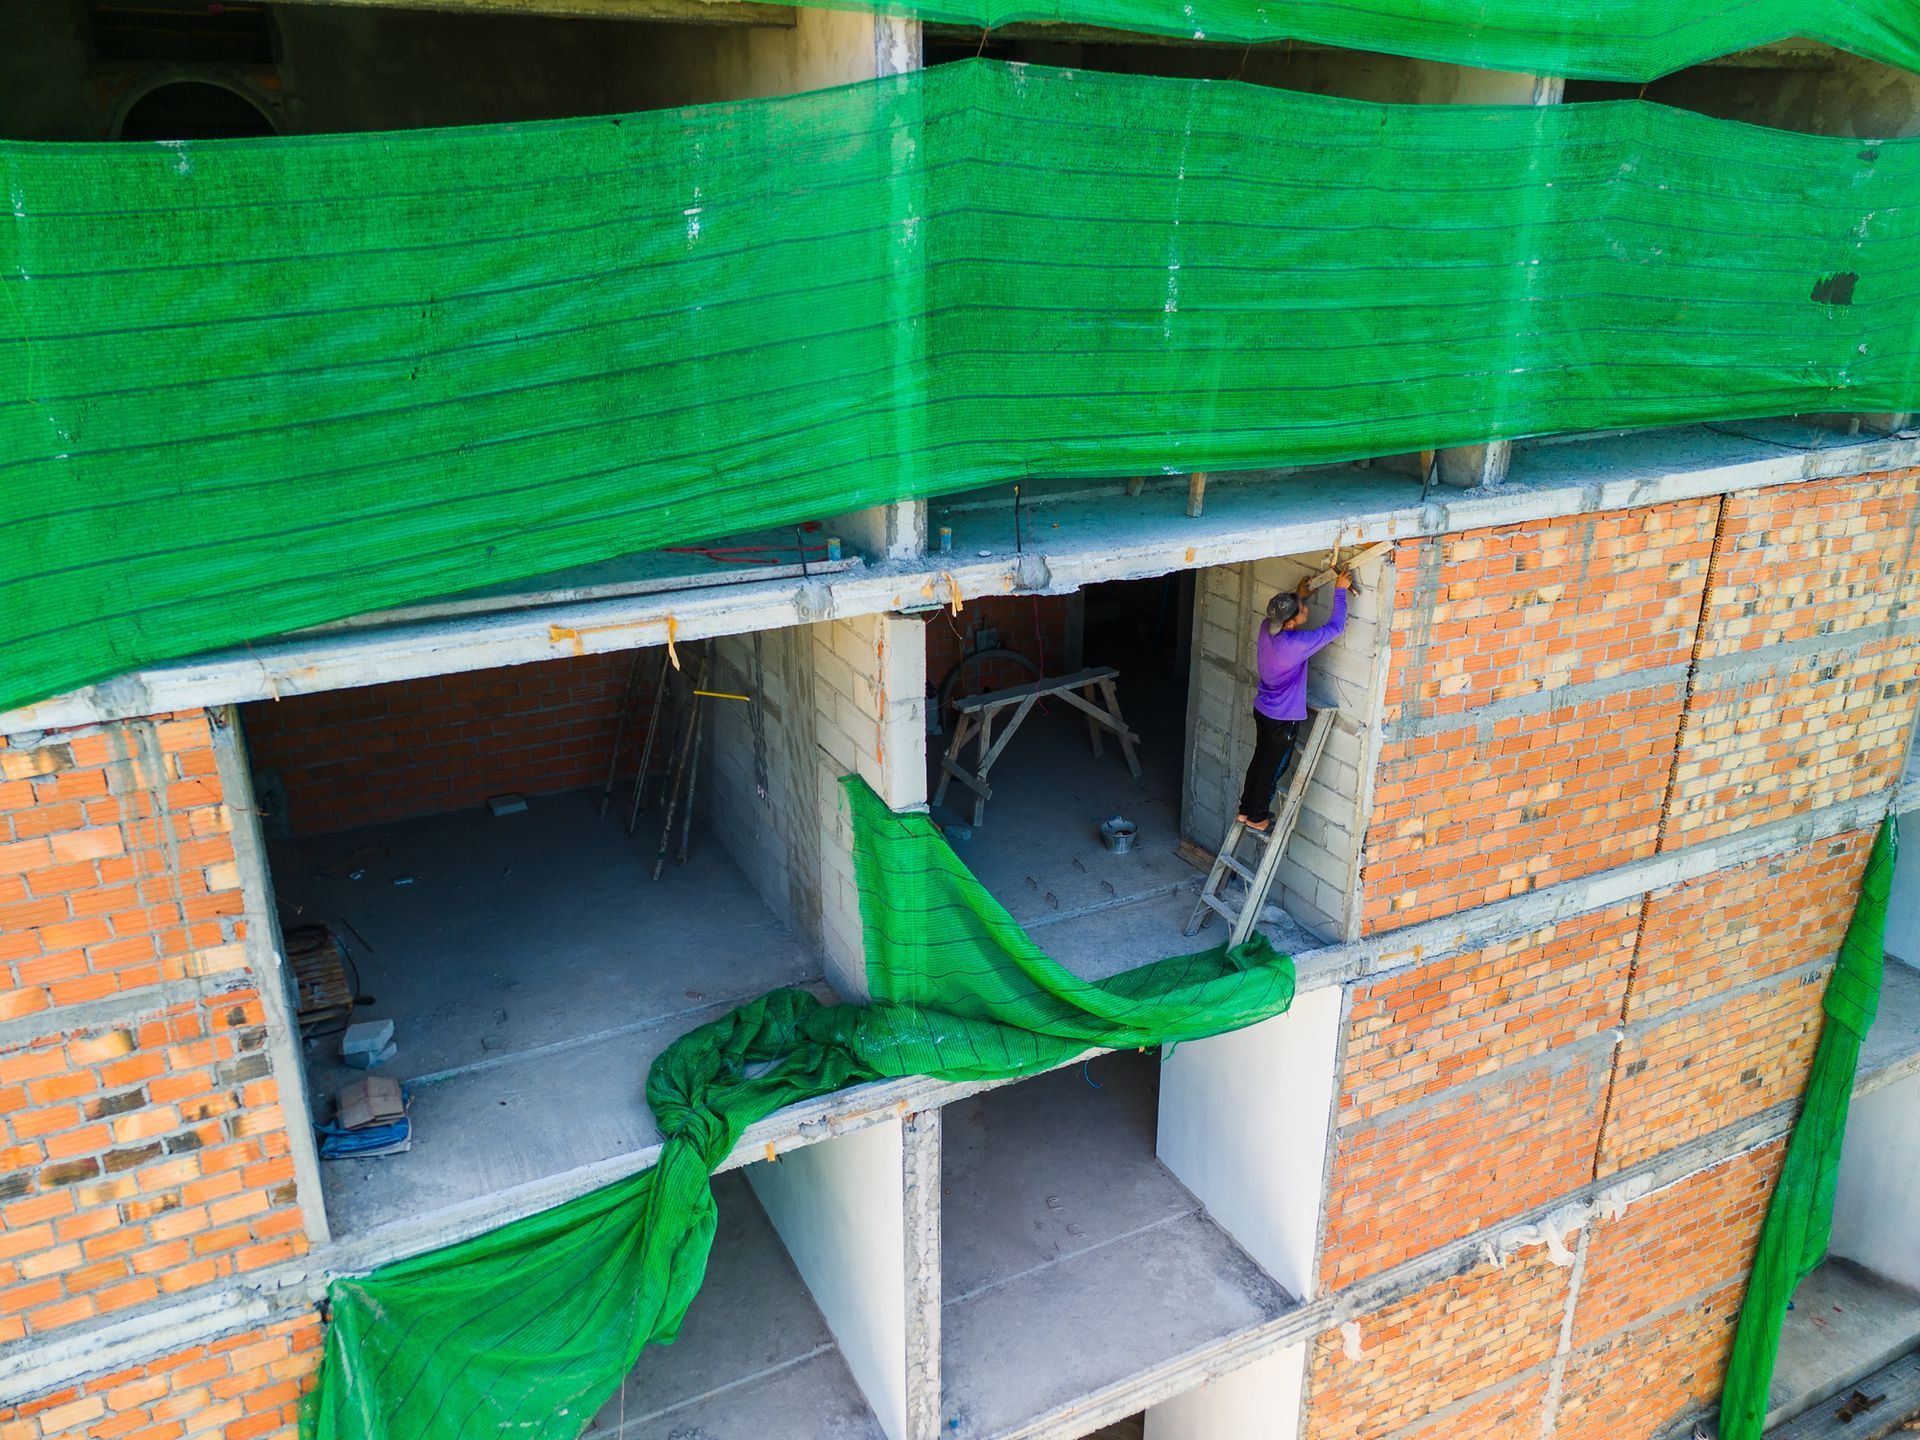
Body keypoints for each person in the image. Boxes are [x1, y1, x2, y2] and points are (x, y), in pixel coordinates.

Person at [1237, 568, 1350, 831]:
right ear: (1289, 624)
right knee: (1272, 769)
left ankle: (1245, 810)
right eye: (1302, 609)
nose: (1306, 609)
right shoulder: (1295, 644)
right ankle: (1258, 817)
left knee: (1259, 761)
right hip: (1282, 719)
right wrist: (1340, 590)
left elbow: (1282, 611)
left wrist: (1299, 594)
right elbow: (1335, 627)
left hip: (1264, 710)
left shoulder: (1267, 627)